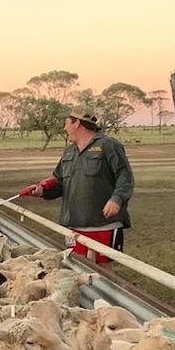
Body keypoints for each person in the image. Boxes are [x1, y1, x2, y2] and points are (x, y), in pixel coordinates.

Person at [20, 108, 134, 264]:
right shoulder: (69, 151)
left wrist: (117, 199)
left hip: (102, 225)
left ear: (77, 123)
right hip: (73, 226)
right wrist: (43, 191)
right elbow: (60, 181)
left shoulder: (108, 145)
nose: (64, 128)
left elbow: (124, 175)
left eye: (66, 123)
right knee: (78, 269)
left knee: (103, 272)